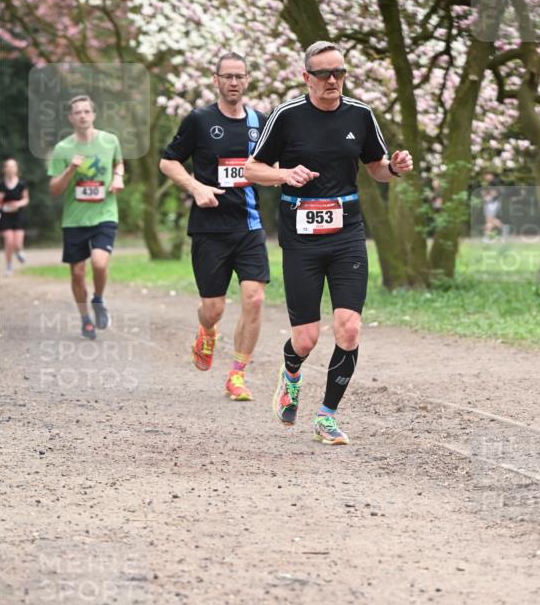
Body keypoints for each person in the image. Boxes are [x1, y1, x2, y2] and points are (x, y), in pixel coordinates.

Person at [245, 40, 413, 445]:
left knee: (349, 328)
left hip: (347, 233)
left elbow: (376, 168)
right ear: (307, 77)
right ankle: (290, 374)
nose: (333, 80)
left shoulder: (360, 115)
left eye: (339, 72)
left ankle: (327, 416)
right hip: (301, 237)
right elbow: (252, 169)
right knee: (306, 337)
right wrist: (285, 176)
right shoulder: (287, 116)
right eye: (324, 74)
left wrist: (394, 167)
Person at [159, 52, 270, 401]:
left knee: (254, 298)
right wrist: (196, 187)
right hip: (209, 229)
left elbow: (275, 161)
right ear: (216, 80)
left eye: (239, 76)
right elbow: (168, 161)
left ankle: (237, 375)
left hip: (249, 226)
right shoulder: (199, 120)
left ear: (248, 80)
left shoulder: (261, 122)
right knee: (214, 308)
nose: (234, 82)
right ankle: (207, 331)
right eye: (227, 76)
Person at [47, 95, 124, 339]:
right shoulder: (63, 148)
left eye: (86, 111)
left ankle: (98, 299)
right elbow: (54, 190)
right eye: (77, 112)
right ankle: (85, 319)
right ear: (71, 118)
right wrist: (70, 168)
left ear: (93, 114)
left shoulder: (110, 140)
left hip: (105, 213)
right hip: (75, 219)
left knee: (100, 263)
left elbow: (118, 164)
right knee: (77, 273)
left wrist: (119, 176)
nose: (82, 115)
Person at [0, 158, 29, 274]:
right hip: (5, 216)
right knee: (9, 241)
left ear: (16, 169)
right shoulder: (1, 184)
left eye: (13, 166)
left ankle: (19, 251)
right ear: (4, 169)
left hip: (18, 216)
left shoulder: (21, 184)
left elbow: (26, 199)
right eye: (8, 166)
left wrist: (18, 204)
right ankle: (9, 265)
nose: (11, 169)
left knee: (17, 243)